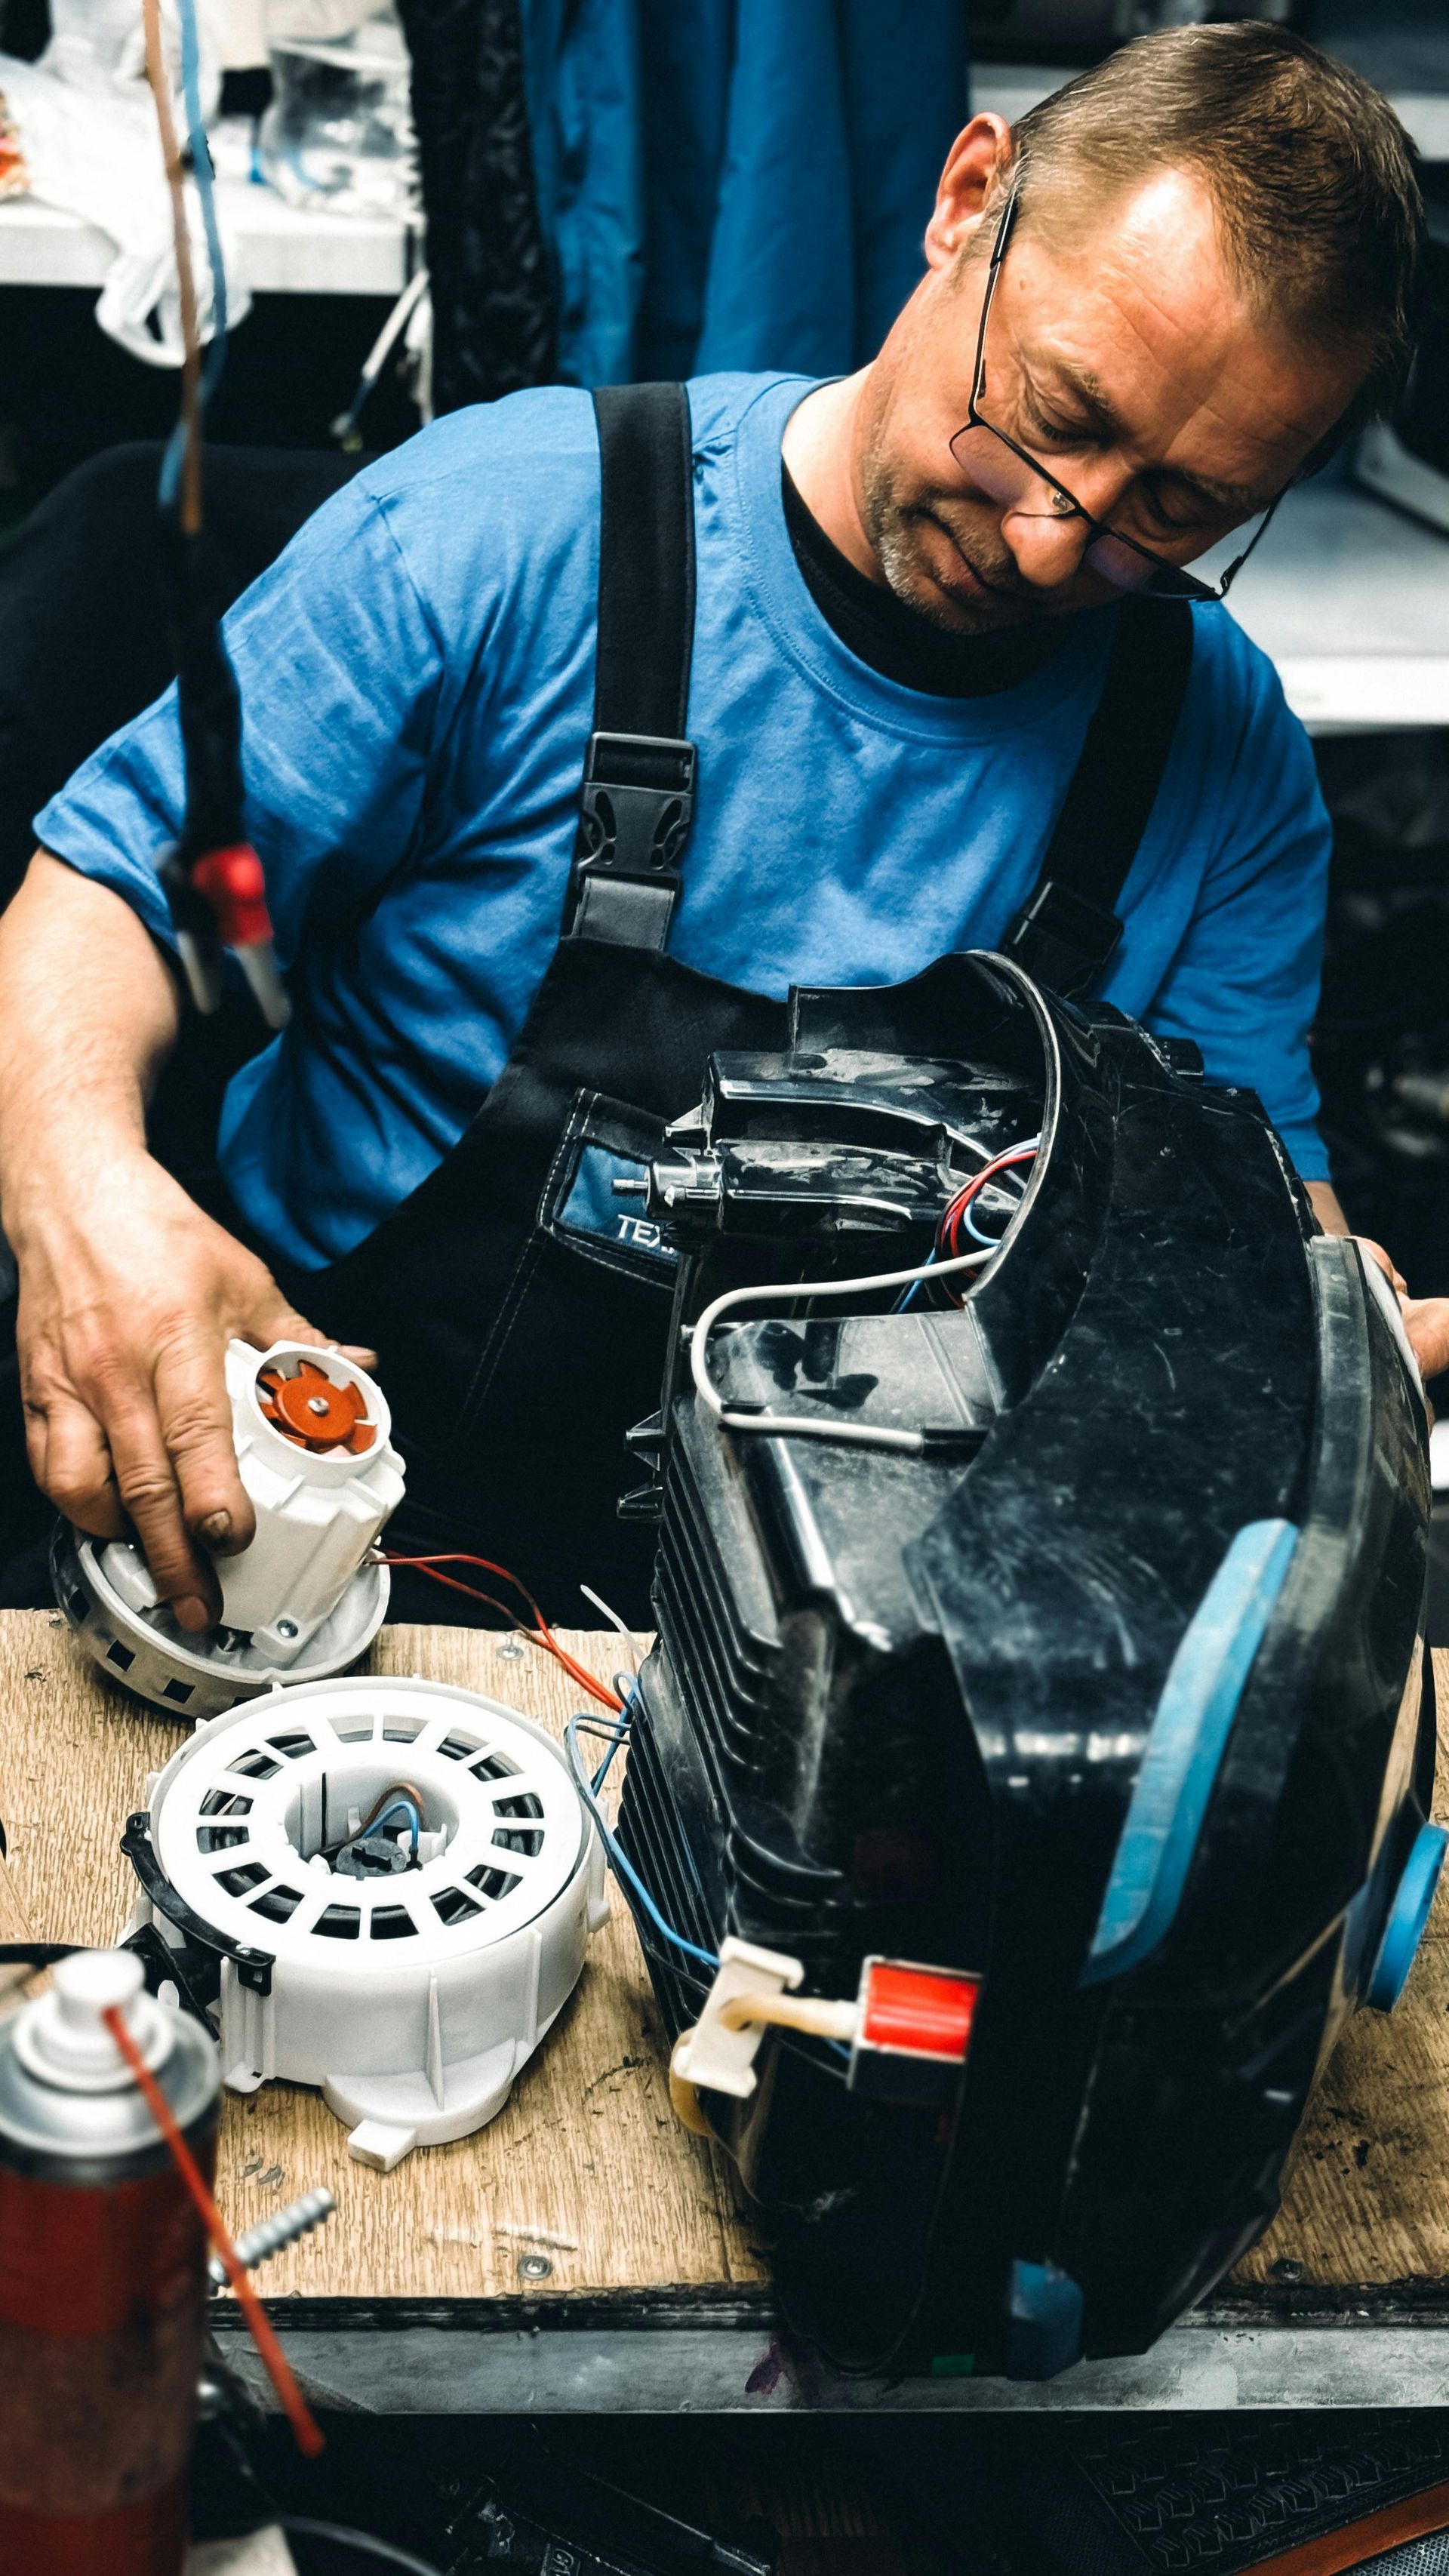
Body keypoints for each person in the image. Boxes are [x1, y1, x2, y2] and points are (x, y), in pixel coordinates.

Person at [1, 21, 1444, 1635]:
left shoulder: (1218, 749)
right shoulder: (505, 532)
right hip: (330, 1524)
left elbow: (1238, 1205)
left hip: (856, 1612)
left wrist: (1312, 1328)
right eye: (1052, 409)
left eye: (1174, 511)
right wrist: (78, 1184)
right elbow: (101, 900)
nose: (1056, 543)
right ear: (972, 198)